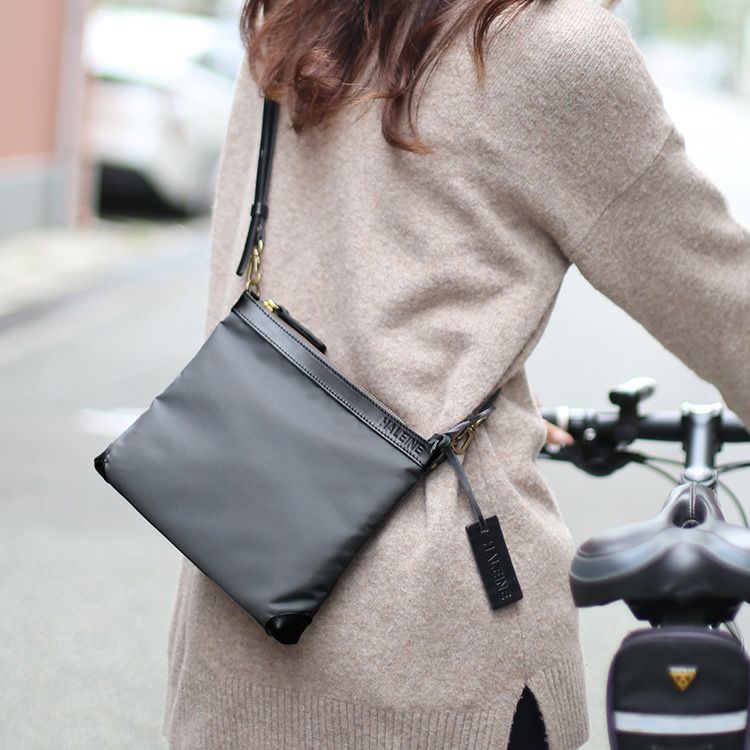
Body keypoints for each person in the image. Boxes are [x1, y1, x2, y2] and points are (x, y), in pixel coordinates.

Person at [162, 0, 750, 747]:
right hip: (438, 665)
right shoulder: (545, 47)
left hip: (236, 632)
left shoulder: (291, 19)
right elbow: (722, 302)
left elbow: (264, 291)